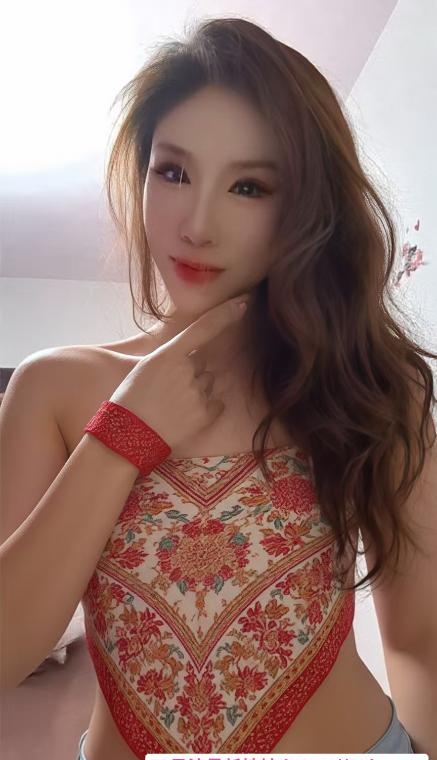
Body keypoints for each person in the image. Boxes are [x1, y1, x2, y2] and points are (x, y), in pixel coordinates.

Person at [1, 16, 436, 760]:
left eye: (248, 186)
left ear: (306, 208)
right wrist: (124, 431)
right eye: (172, 172)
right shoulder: (55, 387)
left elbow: (419, 638)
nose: (196, 225)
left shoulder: (371, 385)